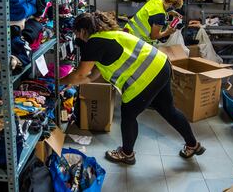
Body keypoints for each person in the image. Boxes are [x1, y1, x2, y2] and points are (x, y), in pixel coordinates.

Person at [60, 11, 205, 165]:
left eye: (77, 33)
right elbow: (93, 73)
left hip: (145, 77)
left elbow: (79, 73)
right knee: (168, 110)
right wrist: (80, 81)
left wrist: (58, 81)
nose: (77, 38)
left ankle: (127, 153)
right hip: (161, 65)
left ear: (83, 31)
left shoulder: (94, 42)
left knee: (128, 114)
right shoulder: (111, 35)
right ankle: (193, 145)